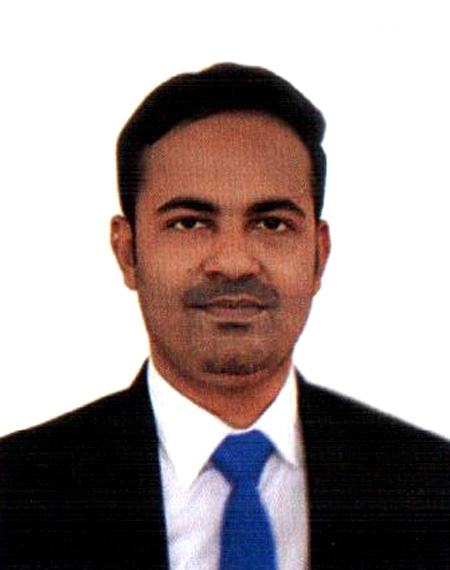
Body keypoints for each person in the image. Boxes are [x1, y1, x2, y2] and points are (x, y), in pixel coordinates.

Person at [1, 63, 449, 570]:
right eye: (189, 223)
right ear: (127, 252)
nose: (234, 263)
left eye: (272, 224)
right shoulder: (17, 496)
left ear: (319, 255)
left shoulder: (431, 490)